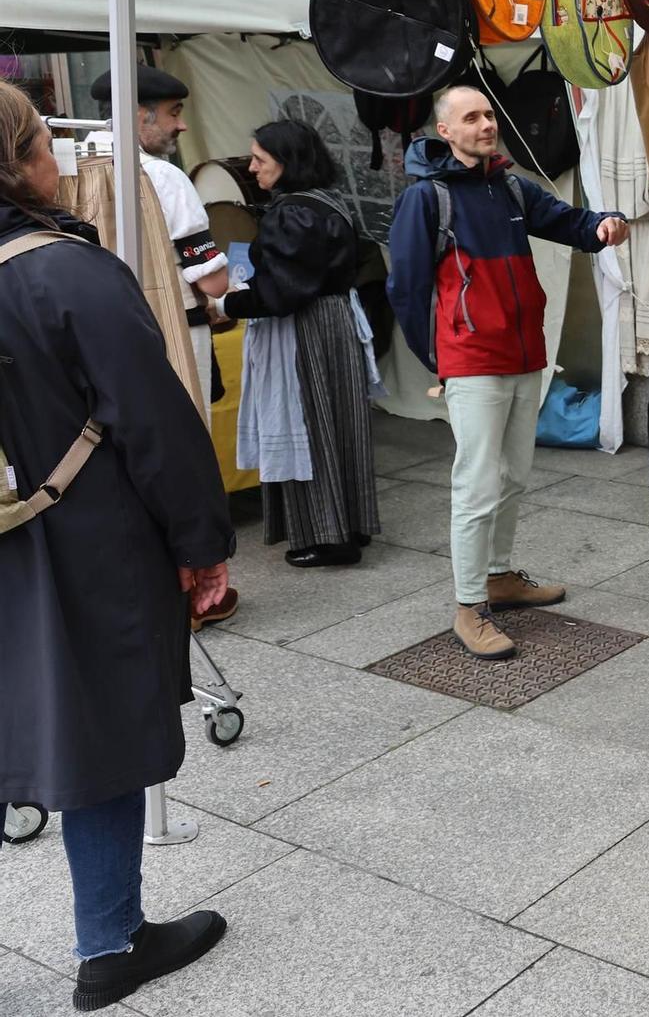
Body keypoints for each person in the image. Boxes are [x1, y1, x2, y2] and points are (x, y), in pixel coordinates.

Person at [0, 81, 235, 1012]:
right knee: (96, 724)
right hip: (79, 535)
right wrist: (202, 542)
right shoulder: (65, 270)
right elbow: (154, 421)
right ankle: (110, 941)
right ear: (24, 160)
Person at [387, 85, 629, 661]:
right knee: (476, 484)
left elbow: (569, 222)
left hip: (525, 354)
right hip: (473, 360)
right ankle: (469, 606)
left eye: (488, 114)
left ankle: (497, 576)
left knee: (514, 474)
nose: (485, 124)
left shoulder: (510, 184)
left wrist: (603, 225)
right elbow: (406, 288)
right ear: (445, 131)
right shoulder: (427, 198)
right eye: (470, 117)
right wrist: (439, 360)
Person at [221, 119, 379, 568]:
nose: (252, 168)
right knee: (340, 422)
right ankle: (351, 524)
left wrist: (230, 307)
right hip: (336, 320)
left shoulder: (293, 212)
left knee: (312, 427)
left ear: (288, 164)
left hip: (308, 327)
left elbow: (284, 291)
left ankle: (332, 539)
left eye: (260, 160)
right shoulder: (328, 201)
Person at [90, 66, 230, 417]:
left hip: (98, 333)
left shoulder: (74, 169)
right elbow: (213, 283)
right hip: (172, 329)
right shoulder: (162, 175)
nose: (181, 125)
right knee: (186, 431)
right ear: (139, 114)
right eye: (174, 112)